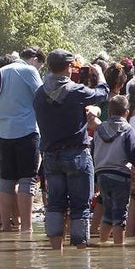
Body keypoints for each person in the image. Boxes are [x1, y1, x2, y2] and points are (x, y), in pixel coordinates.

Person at [34, 50, 109, 249]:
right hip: (77, 154)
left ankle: (55, 250)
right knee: (80, 207)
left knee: (54, 205)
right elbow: (103, 93)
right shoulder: (76, 91)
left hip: (51, 156)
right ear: (68, 67)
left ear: (49, 67)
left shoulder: (40, 93)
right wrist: (100, 73)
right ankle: (80, 254)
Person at [0, 46, 45, 233]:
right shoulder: (29, 70)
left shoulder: (1, 71)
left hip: (3, 132)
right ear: (34, 59)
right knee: (27, 180)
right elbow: (42, 97)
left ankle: (6, 227)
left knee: (6, 181)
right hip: (27, 132)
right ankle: (27, 229)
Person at [91, 94, 135, 245]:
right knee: (119, 213)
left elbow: (93, 151)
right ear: (126, 113)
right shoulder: (127, 129)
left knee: (107, 211)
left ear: (109, 112)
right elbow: (132, 155)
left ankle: (102, 243)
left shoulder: (99, 129)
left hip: (102, 175)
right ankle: (118, 248)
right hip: (120, 175)